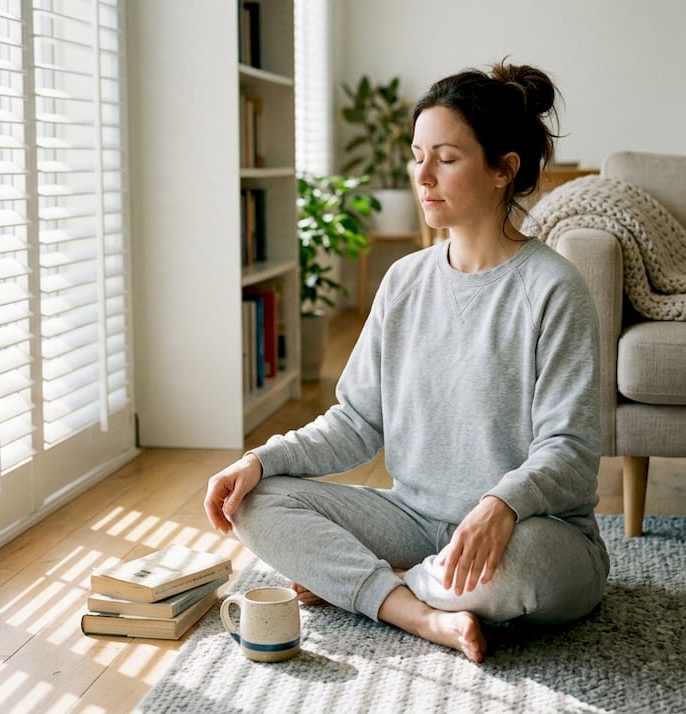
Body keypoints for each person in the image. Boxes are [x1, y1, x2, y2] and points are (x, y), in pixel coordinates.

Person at [203, 62, 607, 663]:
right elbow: (356, 421)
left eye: (446, 158)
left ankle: (380, 582)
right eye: (417, 156)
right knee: (255, 502)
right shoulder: (403, 281)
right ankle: (417, 610)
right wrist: (260, 460)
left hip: (531, 531)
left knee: (527, 569)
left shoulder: (554, 288)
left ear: (503, 169)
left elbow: (570, 450)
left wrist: (501, 504)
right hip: (413, 519)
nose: (423, 175)